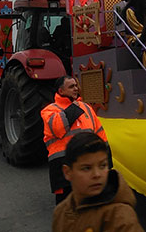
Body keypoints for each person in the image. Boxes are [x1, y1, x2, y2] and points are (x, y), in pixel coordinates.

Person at [52, 132, 143, 232]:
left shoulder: (120, 217)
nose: (97, 174)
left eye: (102, 166)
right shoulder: (61, 212)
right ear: (67, 172)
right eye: (87, 168)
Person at [42, 75, 108, 205]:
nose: (76, 89)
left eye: (76, 86)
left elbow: (100, 133)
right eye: (71, 86)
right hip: (63, 168)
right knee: (67, 209)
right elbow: (57, 128)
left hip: (86, 165)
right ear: (61, 91)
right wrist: (75, 105)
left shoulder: (86, 107)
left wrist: (106, 157)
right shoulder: (50, 110)